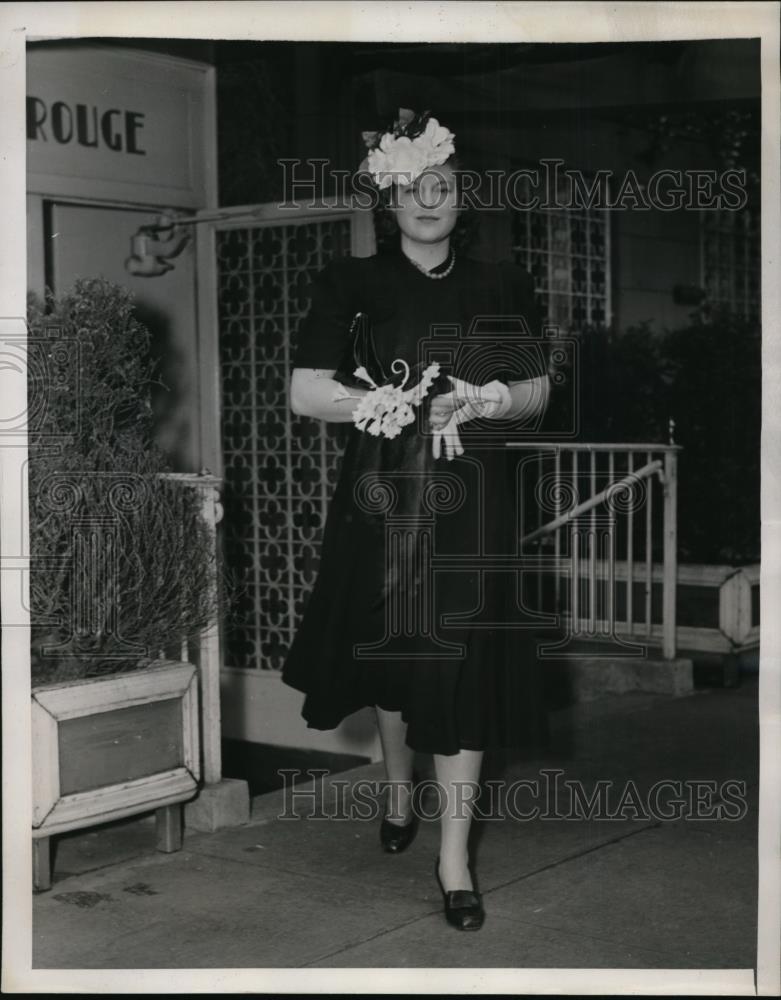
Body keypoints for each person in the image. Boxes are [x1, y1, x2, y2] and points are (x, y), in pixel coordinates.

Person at [281, 109, 551, 931]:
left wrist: (493, 396)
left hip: (475, 501)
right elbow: (303, 390)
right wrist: (376, 400)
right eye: (411, 188)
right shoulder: (350, 283)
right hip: (382, 495)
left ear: (462, 199)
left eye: (442, 186)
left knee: (460, 664)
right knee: (396, 652)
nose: (427, 200)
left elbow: (538, 392)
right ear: (389, 200)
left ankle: (453, 858)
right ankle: (399, 787)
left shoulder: (503, 283)